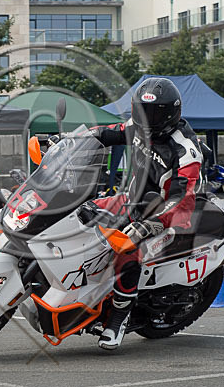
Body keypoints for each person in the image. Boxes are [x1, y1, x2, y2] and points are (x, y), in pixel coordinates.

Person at [77, 77, 203, 350]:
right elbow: (105, 133)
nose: (146, 118)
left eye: (154, 112)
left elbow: (182, 200)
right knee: (79, 213)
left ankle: (118, 319)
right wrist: (68, 142)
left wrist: (150, 226)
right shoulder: (136, 126)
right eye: (142, 111)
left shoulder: (185, 150)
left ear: (170, 113)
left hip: (169, 217)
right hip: (130, 200)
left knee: (127, 250)